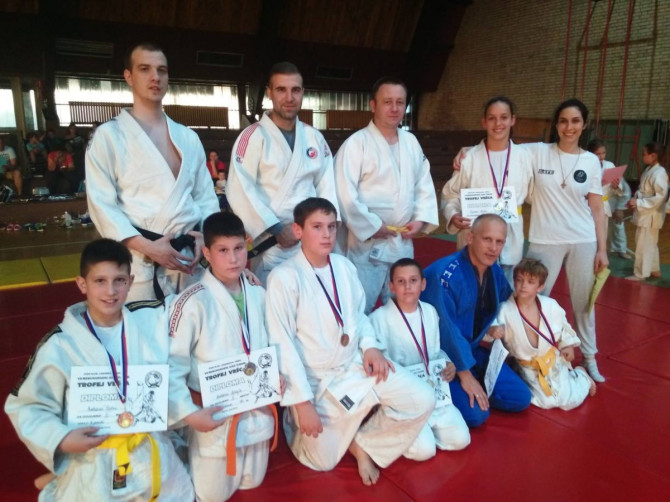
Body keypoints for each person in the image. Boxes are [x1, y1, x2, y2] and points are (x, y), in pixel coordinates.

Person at [4, 239, 194, 501]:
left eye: (119, 280)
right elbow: (27, 406)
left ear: (131, 281)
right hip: (94, 456)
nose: (111, 291)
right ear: (82, 284)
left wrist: (239, 278)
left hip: (148, 446)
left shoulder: (149, 320)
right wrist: (61, 438)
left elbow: (192, 302)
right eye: (100, 281)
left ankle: (61, 477)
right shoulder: (60, 343)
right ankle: (64, 476)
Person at [266, 198, 434, 485]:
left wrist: (370, 346)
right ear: (298, 230)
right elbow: (281, 343)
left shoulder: (344, 267)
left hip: (356, 367)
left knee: (423, 398)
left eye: (331, 227)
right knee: (321, 461)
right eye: (317, 227)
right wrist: (302, 404)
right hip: (319, 381)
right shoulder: (284, 278)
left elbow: (358, 315)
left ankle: (363, 443)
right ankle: (340, 421)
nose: (327, 234)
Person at [85, 42, 220, 302]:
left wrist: (205, 236)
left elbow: (205, 197)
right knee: (146, 327)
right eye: (144, 69)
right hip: (140, 262)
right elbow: (101, 205)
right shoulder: (109, 136)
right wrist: (147, 247)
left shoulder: (188, 136)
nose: (155, 77)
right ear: (128, 76)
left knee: (194, 325)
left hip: (190, 261)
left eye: (162, 70)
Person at [168, 212, 278, 502]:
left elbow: (274, 345)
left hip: (256, 413)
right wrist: (189, 414)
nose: (233, 259)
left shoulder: (258, 292)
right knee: (210, 495)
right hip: (214, 419)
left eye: (239, 248)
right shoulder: (191, 301)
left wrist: (278, 377)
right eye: (223, 250)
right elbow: (172, 365)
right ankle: (183, 448)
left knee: (253, 483)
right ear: (207, 253)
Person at [227, 62, 339, 283]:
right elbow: (239, 189)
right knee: (274, 299)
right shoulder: (252, 136)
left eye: (295, 90)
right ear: (269, 92)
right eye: (281, 90)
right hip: (273, 244)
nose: (289, 97)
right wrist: (276, 228)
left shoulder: (314, 137)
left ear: (303, 93)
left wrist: (324, 227)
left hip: (311, 239)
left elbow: (328, 187)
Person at [522, 99, 608, 383]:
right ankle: (531, 356)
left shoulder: (591, 161)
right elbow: (502, 149)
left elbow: (597, 208)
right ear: (556, 124)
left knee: (584, 303)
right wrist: (468, 150)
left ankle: (590, 358)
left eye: (575, 121)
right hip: (545, 239)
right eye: (563, 121)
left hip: (583, 239)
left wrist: (602, 249)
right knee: (534, 299)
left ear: (584, 125)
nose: (569, 127)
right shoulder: (538, 152)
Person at [334, 77, 438, 313]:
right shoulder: (356, 144)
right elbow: (344, 193)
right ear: (373, 105)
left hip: (401, 243)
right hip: (366, 245)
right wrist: (372, 225)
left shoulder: (411, 142)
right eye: (387, 102)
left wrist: (420, 219)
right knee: (360, 308)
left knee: (403, 308)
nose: (394, 108)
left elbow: (423, 184)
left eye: (400, 102)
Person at [421, 214, 531, 428]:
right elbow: (447, 329)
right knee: (476, 416)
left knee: (520, 397)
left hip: (470, 350)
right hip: (442, 357)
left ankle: (472, 386)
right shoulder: (446, 275)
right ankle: (441, 389)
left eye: (499, 241)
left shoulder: (494, 271)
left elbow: (506, 300)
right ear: (471, 237)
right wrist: (465, 375)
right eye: (487, 239)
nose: (493, 248)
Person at [369, 258, 470, 459]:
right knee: (425, 451)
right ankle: (389, 426)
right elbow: (377, 367)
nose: (408, 287)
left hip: (433, 390)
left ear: (423, 284)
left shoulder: (430, 312)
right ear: (391, 286)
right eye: (401, 281)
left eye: (413, 280)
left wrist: (447, 362)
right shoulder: (377, 319)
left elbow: (434, 351)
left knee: (461, 439)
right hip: (402, 400)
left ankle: (426, 430)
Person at [442, 96, 533, 284]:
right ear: (484, 122)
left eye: (504, 117)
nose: (498, 123)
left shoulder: (525, 157)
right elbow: (451, 194)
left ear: (513, 120)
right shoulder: (469, 158)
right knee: (473, 290)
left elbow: (535, 195)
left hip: (510, 234)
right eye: (492, 118)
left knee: (505, 292)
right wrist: (453, 215)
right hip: (475, 233)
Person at [489, 258, 596, 410]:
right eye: (519, 280)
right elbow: (489, 329)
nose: (523, 285)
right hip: (526, 368)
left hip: (551, 361)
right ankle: (572, 378)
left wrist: (567, 346)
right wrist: (492, 330)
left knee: (567, 402)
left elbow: (563, 327)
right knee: (546, 402)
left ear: (540, 286)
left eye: (530, 282)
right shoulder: (505, 310)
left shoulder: (550, 305)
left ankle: (581, 376)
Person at [626, 142, 668, 281]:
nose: (642, 156)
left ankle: (640, 273)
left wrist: (639, 202)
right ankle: (654, 269)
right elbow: (643, 190)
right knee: (651, 244)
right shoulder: (650, 170)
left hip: (650, 215)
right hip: (646, 213)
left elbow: (660, 197)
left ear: (653, 156)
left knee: (643, 245)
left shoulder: (659, 173)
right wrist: (635, 199)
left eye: (644, 154)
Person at [587, 138, 632, 259]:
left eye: (603, 153)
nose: (601, 156)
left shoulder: (609, 165)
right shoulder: (586, 165)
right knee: (588, 236)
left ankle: (600, 259)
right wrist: (599, 184)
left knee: (602, 235)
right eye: (598, 154)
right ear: (591, 153)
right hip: (588, 205)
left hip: (604, 206)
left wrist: (616, 186)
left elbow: (618, 189)